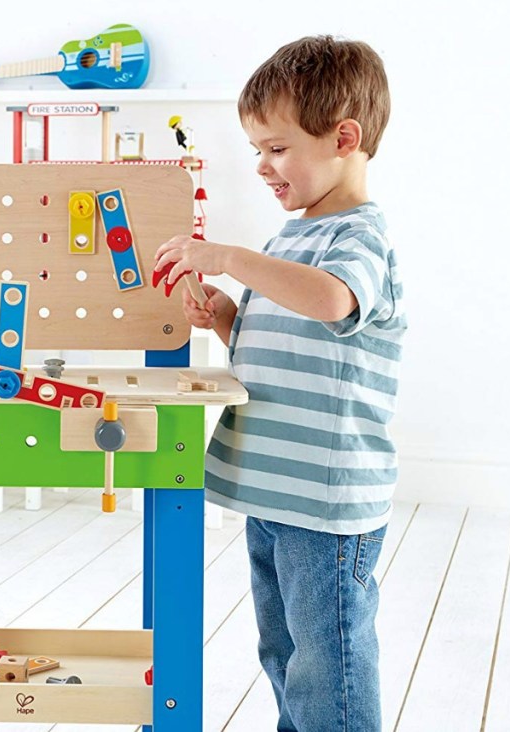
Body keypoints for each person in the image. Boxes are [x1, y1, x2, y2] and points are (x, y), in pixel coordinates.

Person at [153, 35, 406, 731]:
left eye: (276, 148)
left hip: (324, 499)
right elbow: (284, 344)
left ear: (343, 137)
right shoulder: (290, 239)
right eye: (257, 150)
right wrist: (226, 316)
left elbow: (331, 302)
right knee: (287, 651)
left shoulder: (358, 236)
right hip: (275, 488)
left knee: (330, 660)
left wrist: (228, 255)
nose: (262, 166)